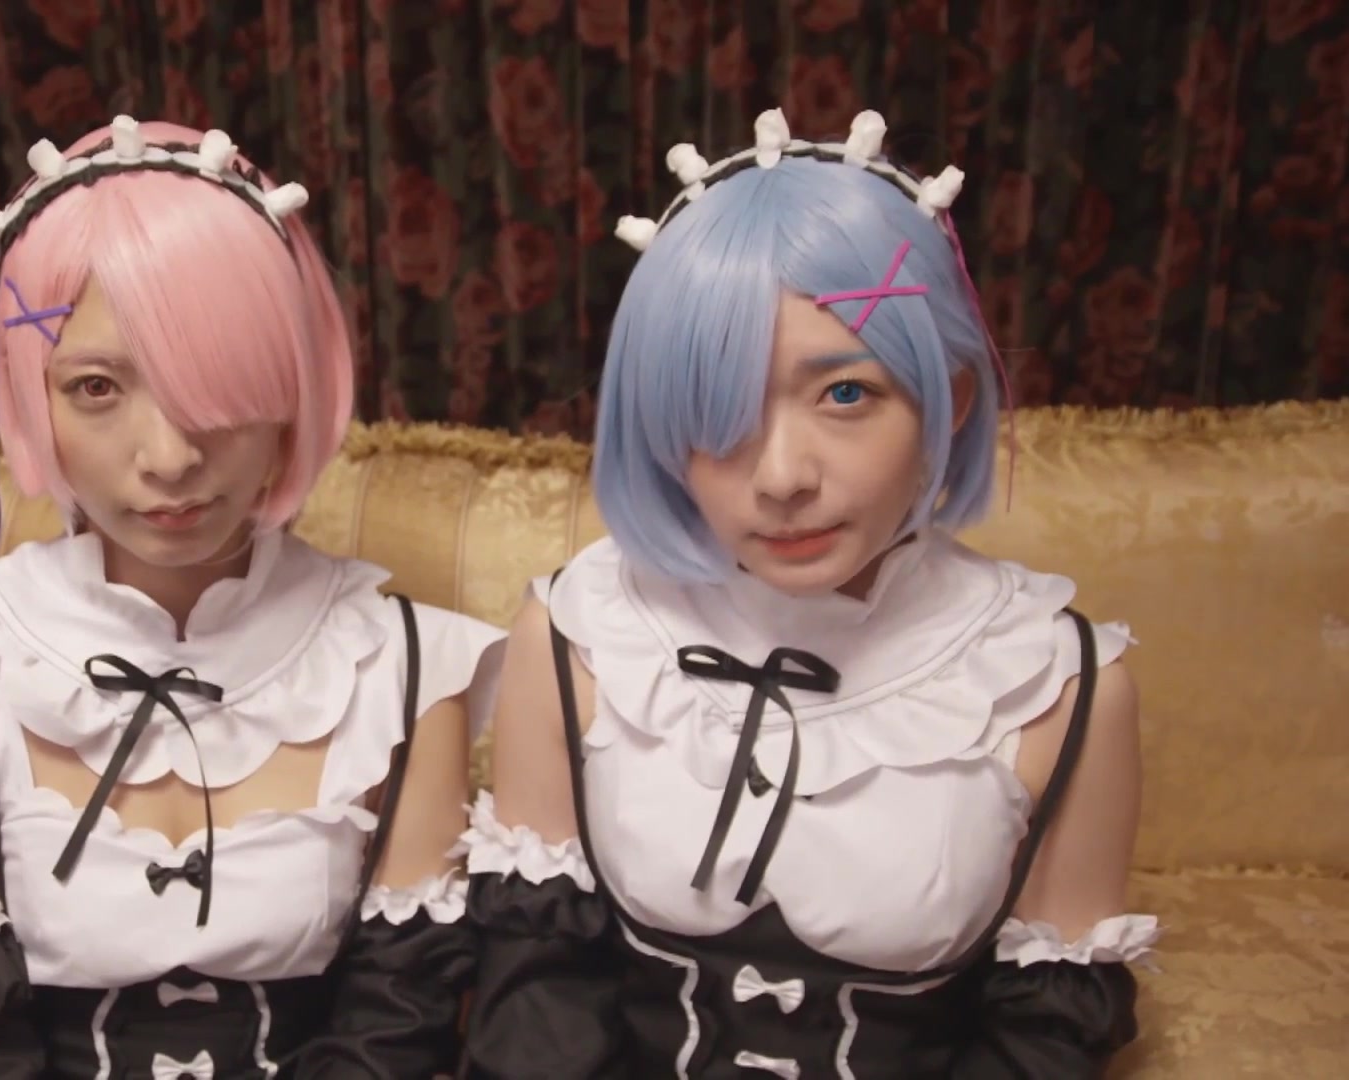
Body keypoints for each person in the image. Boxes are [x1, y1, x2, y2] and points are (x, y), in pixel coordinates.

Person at [459, 108, 1159, 1078]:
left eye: (846, 395)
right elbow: (537, 999)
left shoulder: (1059, 680)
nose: (783, 476)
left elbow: (1043, 1041)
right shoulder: (577, 631)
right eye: (719, 408)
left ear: (948, 400)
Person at [0, 116, 502, 1078]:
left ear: (290, 392)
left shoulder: (405, 672)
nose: (171, 457)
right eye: (98, 387)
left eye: (214, 384)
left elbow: (396, 1036)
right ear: (32, 393)